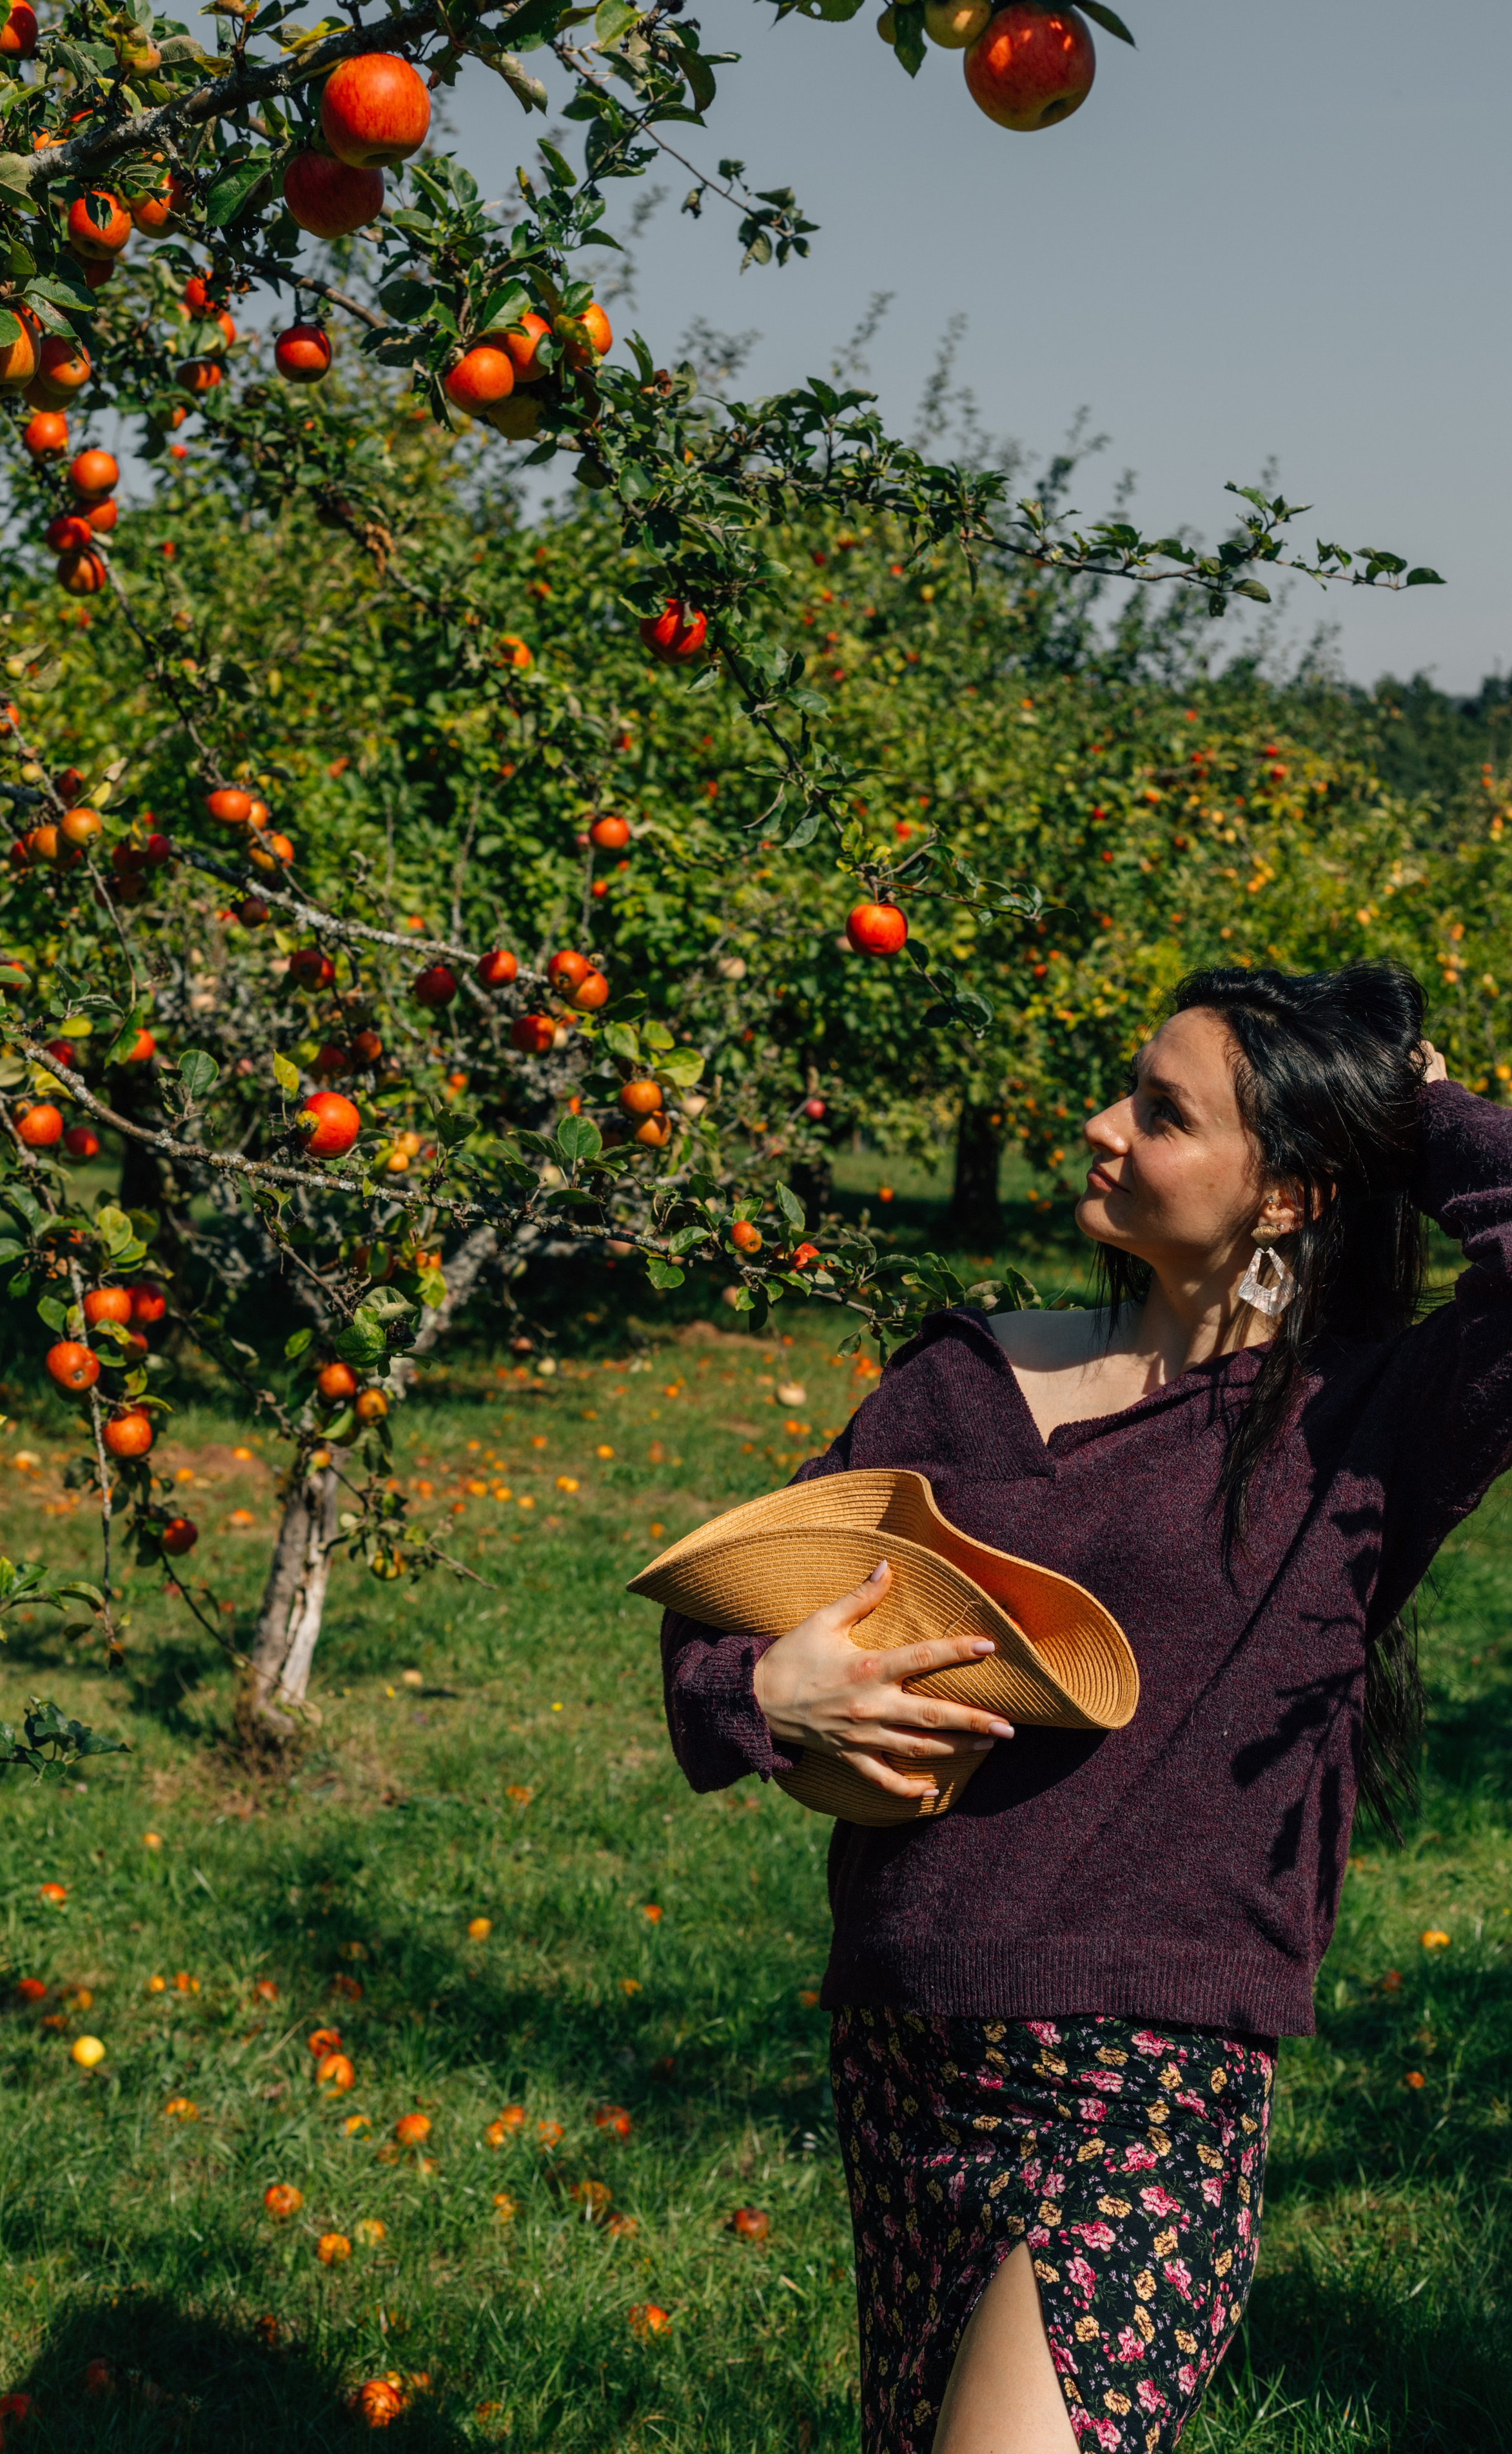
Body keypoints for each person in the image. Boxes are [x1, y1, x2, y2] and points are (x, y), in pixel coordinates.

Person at [660, 962, 1512, 2454]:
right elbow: (732, 1590)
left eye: (1163, 1115)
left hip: (1149, 2066)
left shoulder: (1360, 1428)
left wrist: (1419, 1108)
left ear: (1286, 1199)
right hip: (909, 2039)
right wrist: (766, 1694)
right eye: (1125, 1088)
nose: (1101, 1127)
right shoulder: (963, 1380)